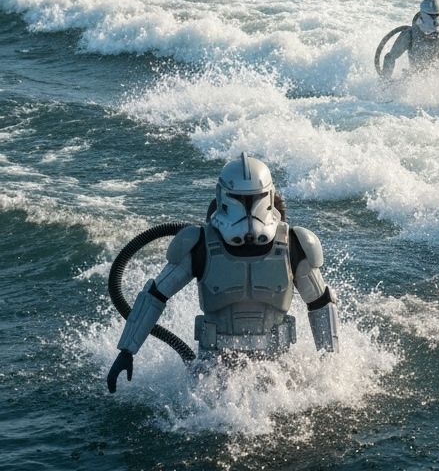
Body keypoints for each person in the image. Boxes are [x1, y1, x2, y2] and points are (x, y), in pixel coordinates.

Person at [107, 154, 340, 391]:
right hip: (213, 370)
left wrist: (330, 367)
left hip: (277, 368)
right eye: (240, 200)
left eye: (254, 200)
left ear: (268, 197)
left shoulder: (294, 244)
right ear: (223, 198)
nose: (248, 210)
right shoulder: (198, 245)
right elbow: (156, 295)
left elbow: (320, 302)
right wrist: (127, 350)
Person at [381, 0, 439, 79]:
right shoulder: (410, 34)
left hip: (438, 80)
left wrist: (385, 82)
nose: (434, 20)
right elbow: (390, 58)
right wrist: (386, 82)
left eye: (436, 16)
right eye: (431, 16)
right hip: (415, 81)